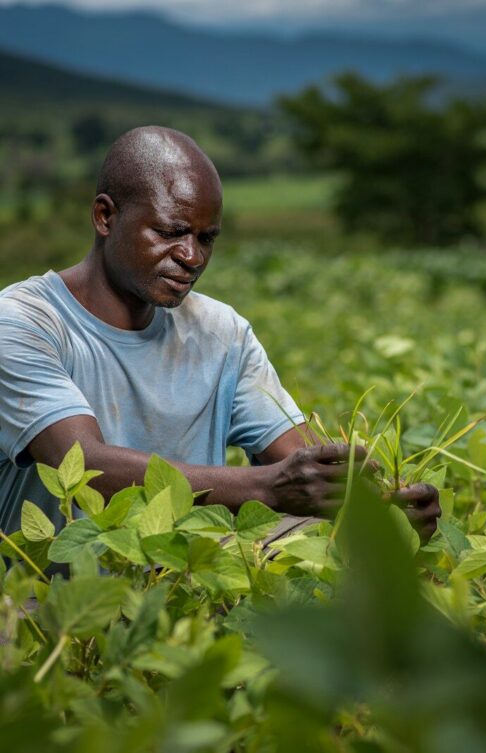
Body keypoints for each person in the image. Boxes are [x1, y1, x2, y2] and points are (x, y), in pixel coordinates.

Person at [0, 126, 440, 544]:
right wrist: (265, 488)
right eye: (170, 232)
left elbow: (298, 464)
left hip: (187, 586)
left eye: (206, 238)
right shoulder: (23, 322)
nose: (191, 256)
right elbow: (80, 464)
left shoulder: (221, 332)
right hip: (43, 603)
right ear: (105, 217)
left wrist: (378, 506)